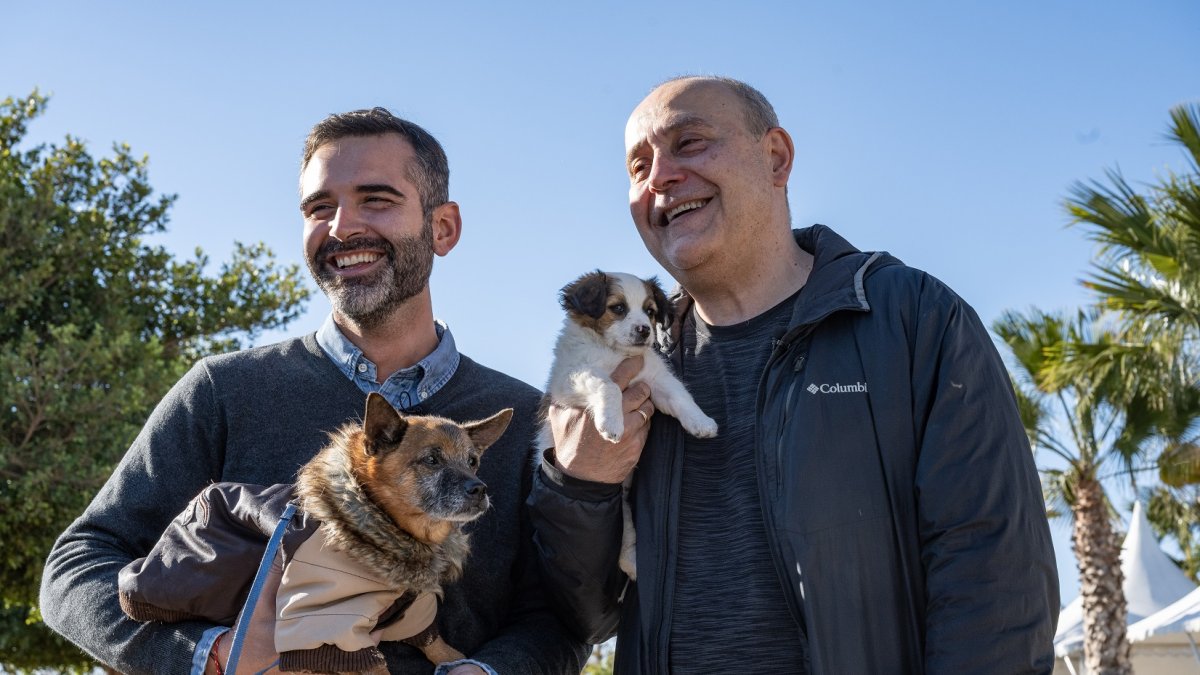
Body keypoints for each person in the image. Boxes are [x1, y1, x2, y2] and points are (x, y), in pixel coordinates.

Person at [527, 76, 1060, 673]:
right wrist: (579, 487)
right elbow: (585, 619)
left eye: (691, 142)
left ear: (775, 158)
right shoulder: (616, 366)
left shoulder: (913, 319)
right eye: (638, 165)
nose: (661, 178)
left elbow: (993, 576)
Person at [40, 108, 589, 675]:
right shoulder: (223, 391)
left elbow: (560, 617)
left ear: (442, 227)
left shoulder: (528, 418)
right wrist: (214, 657)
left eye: (376, 199)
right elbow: (76, 568)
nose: (341, 227)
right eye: (318, 207)